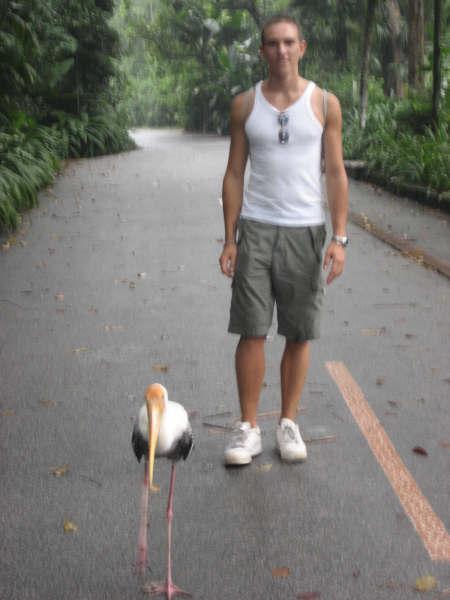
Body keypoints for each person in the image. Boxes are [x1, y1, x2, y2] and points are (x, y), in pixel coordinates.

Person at [219, 15, 348, 466]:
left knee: (298, 330)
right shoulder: (244, 105)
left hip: (306, 231)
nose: (281, 51)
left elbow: (334, 172)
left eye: (289, 42)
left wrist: (340, 238)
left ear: (302, 47)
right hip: (255, 228)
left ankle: (288, 422)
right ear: (261, 51)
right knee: (251, 329)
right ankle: (248, 427)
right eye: (272, 44)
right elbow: (235, 173)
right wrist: (229, 238)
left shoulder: (324, 103)